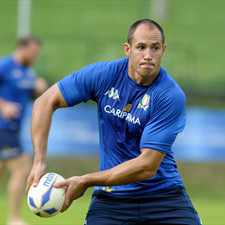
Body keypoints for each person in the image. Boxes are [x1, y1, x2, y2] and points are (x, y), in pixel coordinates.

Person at [27, 19, 202, 225]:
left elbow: (147, 166)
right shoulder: (104, 75)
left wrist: (86, 180)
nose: (148, 55)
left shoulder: (169, 95)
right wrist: (39, 161)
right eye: (141, 47)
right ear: (127, 49)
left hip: (163, 197)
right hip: (111, 200)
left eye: (155, 48)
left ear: (163, 50)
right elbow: (44, 101)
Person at [0, 36, 48, 225]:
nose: (36, 56)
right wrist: (3, 106)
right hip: (3, 126)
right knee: (22, 167)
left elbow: (36, 93)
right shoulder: (5, 66)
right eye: (34, 52)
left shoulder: (29, 73)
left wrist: (40, 88)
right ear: (23, 49)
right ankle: (14, 218)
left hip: (13, 129)